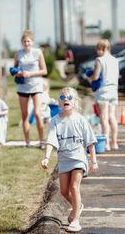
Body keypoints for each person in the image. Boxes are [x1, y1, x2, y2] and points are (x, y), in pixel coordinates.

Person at [41, 87, 98, 232]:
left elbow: (90, 142)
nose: (66, 99)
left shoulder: (81, 120)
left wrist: (93, 160)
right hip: (64, 159)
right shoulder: (55, 121)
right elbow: (51, 140)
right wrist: (46, 157)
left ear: (75, 102)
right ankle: (78, 206)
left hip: (79, 157)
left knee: (74, 187)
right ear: (59, 102)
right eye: (62, 97)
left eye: (69, 97)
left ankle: (76, 220)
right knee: (64, 191)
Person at [14, 30, 48, 148]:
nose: (26, 43)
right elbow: (14, 70)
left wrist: (30, 74)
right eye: (24, 41)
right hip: (23, 87)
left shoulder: (38, 52)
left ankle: (42, 141)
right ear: (22, 42)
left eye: (28, 41)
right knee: (24, 115)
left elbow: (44, 71)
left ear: (32, 42)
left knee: (38, 114)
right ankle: (27, 142)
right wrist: (18, 73)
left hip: (36, 86)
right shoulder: (18, 53)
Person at [90, 39, 119, 151]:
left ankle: (106, 143)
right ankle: (114, 142)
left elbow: (96, 76)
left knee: (104, 117)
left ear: (101, 48)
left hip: (103, 91)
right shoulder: (115, 60)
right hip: (113, 90)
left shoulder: (99, 60)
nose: (97, 52)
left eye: (98, 49)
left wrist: (91, 76)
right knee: (112, 117)